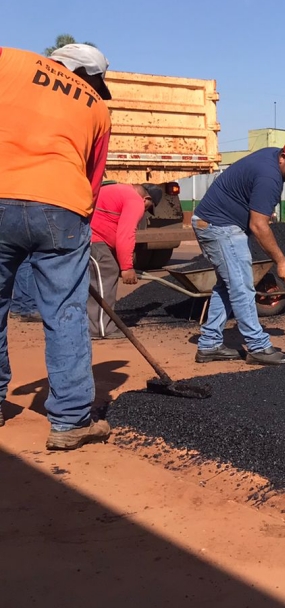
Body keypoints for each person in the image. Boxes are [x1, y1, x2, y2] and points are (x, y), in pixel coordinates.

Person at [0, 44, 113, 448]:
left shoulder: (10, 60)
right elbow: (93, 179)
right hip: (62, 205)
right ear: (85, 74)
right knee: (65, 313)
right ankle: (69, 422)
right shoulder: (98, 108)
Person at [191, 140, 285, 365]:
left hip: (216, 223)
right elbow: (259, 225)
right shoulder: (269, 177)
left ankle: (209, 344)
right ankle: (259, 347)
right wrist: (282, 262)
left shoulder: (271, 158)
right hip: (220, 226)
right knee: (241, 286)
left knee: (227, 285)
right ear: (283, 158)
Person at [88, 182, 161, 339]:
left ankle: (91, 325)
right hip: (93, 238)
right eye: (149, 206)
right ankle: (101, 329)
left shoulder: (118, 190)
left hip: (84, 235)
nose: (146, 210)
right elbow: (126, 234)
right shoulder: (135, 201)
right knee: (107, 271)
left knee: (96, 279)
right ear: (146, 198)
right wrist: (127, 267)